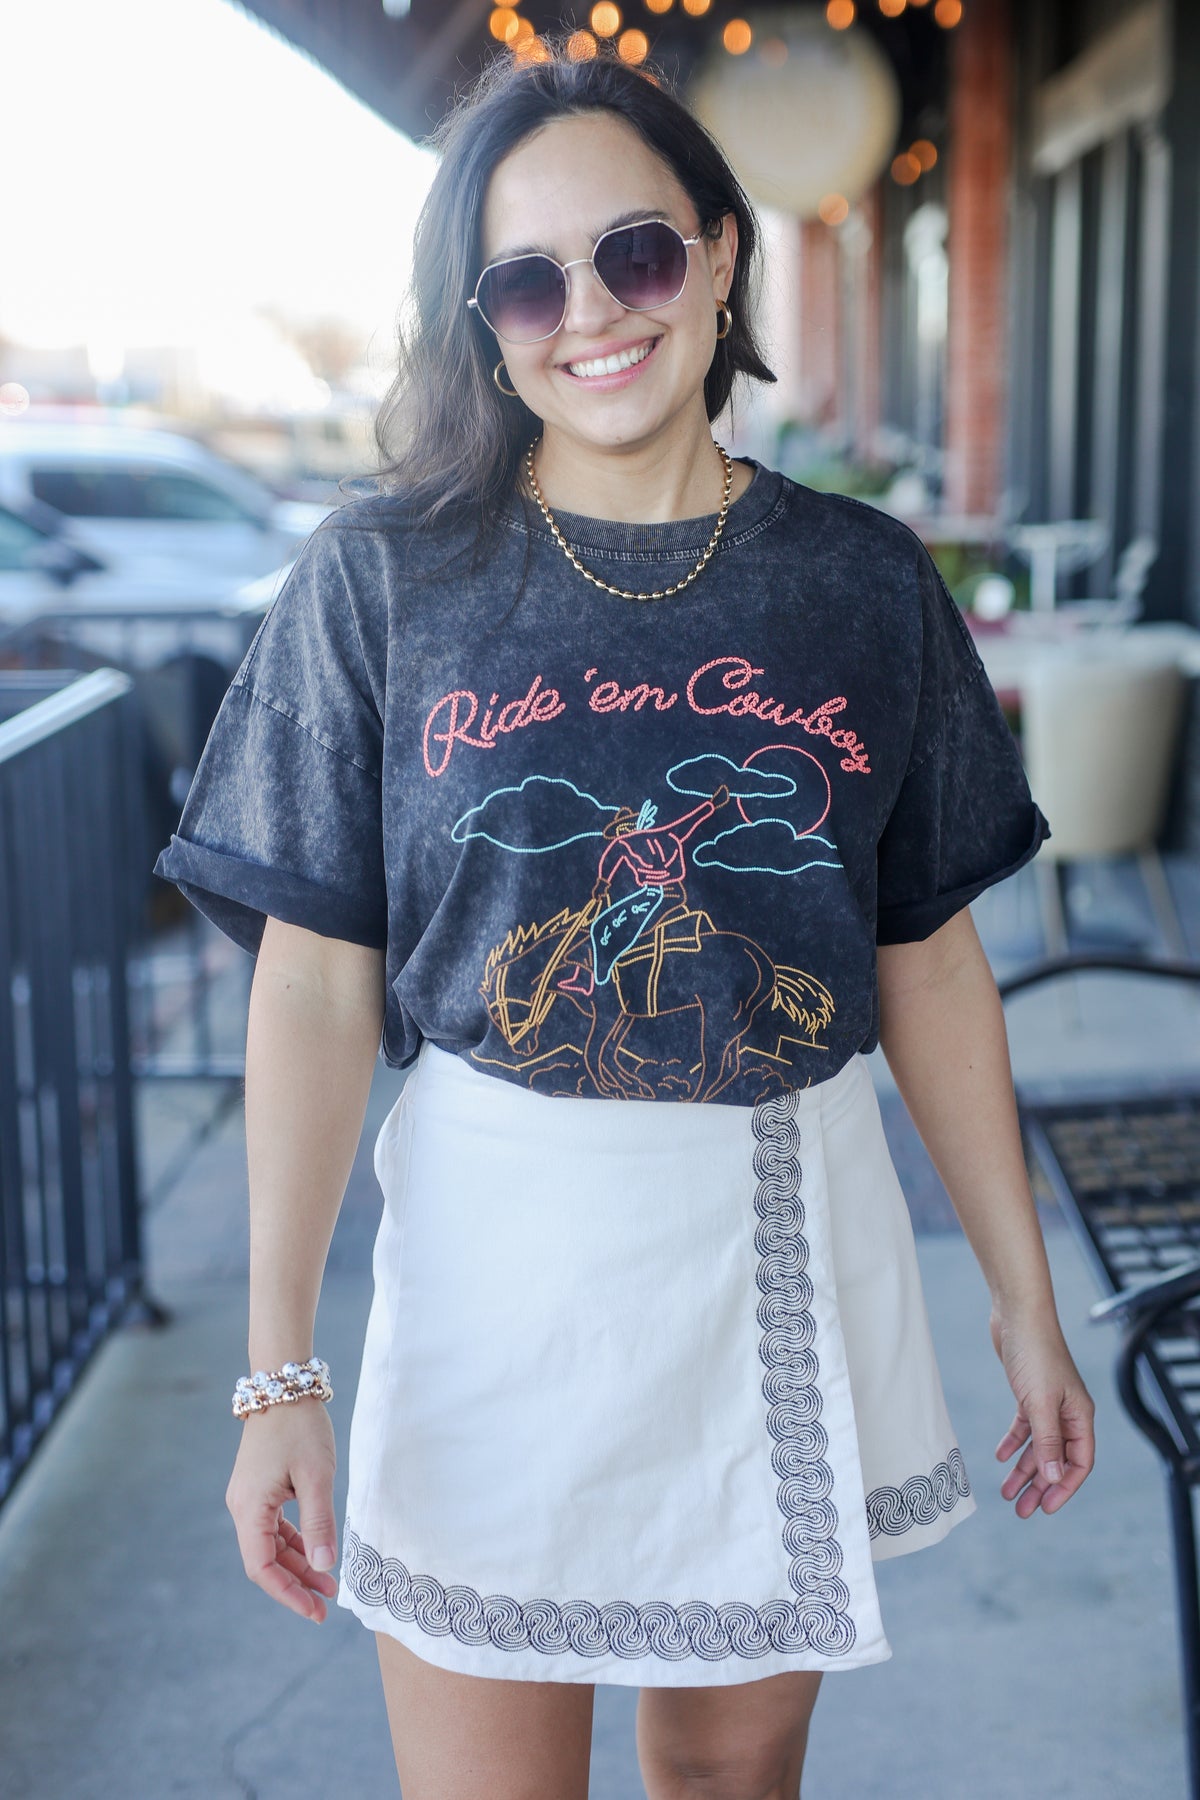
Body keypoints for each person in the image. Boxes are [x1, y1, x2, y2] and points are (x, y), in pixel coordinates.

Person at [154, 45, 1096, 1800]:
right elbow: (311, 986)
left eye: (638, 255)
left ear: (725, 257)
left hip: (783, 1247)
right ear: (482, 320)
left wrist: (1026, 1303)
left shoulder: (861, 581)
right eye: (526, 279)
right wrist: (275, 1367)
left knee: (731, 1792)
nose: (590, 311)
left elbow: (931, 959)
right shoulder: (382, 580)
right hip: (503, 1278)